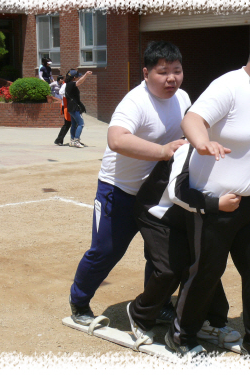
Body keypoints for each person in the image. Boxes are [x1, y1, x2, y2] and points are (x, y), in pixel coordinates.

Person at [163, 31, 250, 359]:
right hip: (215, 205)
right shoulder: (230, 86)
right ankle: (181, 336)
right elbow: (193, 118)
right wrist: (201, 142)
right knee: (207, 273)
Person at [69, 41, 190, 328]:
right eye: (163, 72)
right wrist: (162, 151)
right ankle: (79, 301)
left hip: (158, 193)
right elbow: (117, 139)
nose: (171, 78)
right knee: (106, 251)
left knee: (162, 255)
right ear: (146, 73)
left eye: (177, 70)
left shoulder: (183, 98)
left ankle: (157, 303)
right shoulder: (135, 102)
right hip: (119, 190)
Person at [126, 142, 241, 349]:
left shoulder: (229, 146)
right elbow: (176, 193)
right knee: (171, 270)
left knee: (204, 266)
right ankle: (139, 314)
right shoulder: (187, 149)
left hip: (190, 216)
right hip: (157, 214)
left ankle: (210, 321)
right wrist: (216, 204)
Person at [65, 69, 92, 148]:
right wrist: (86, 74)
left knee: (74, 124)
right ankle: (76, 141)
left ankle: (72, 140)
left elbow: (79, 81)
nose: (78, 77)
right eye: (77, 76)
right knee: (81, 124)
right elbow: (80, 82)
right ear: (74, 77)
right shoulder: (71, 84)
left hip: (71, 107)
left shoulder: (68, 84)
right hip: (74, 107)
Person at [54, 77, 71, 146]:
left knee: (69, 124)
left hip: (67, 106)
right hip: (66, 106)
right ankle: (59, 140)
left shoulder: (66, 84)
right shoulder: (66, 85)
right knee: (67, 124)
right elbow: (61, 92)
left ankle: (59, 140)